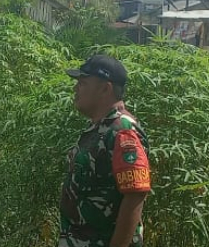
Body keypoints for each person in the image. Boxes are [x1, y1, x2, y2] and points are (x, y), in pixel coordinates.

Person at [59, 55, 151, 247]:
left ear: (105, 88)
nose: (76, 88)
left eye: (83, 83)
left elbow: (135, 194)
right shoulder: (101, 128)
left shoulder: (122, 131)